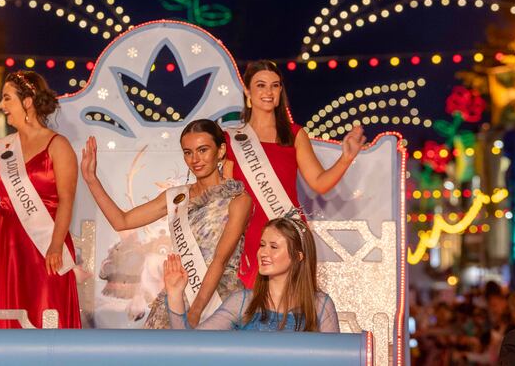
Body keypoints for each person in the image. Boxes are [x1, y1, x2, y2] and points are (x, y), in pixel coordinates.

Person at [81, 119, 252, 328]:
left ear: (221, 150)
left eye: (203, 150)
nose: (195, 159)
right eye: (188, 152)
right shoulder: (176, 197)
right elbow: (121, 221)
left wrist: (195, 312)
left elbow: (220, 260)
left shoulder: (238, 199)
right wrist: (91, 179)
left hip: (219, 300)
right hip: (178, 294)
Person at [224, 60, 366, 287]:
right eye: (261, 85)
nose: (269, 92)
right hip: (246, 235)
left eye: (275, 85)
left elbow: (320, 183)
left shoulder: (294, 134)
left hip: (287, 233)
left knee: (290, 310)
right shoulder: (230, 139)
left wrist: (346, 158)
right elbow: (223, 196)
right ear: (247, 91)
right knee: (247, 310)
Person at [0, 71, 81, 329]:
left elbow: (67, 200)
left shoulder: (58, 146)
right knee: (5, 314)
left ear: (27, 102)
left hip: (46, 243)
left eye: (7, 98)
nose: (2, 106)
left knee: (48, 313)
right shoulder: (1, 148)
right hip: (4, 245)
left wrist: (57, 245)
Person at [164, 211, 339, 331]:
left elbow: (336, 359)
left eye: (274, 246)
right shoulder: (242, 302)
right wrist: (174, 294)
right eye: (262, 245)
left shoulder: (320, 305)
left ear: (298, 256)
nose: (263, 252)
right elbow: (190, 347)